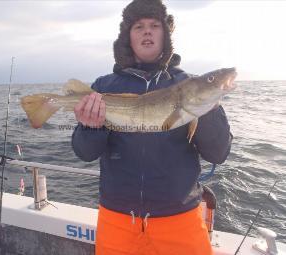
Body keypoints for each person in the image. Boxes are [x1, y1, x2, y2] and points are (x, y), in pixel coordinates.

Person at [71, 0, 232, 254]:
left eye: (154, 25)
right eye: (139, 26)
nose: (147, 31)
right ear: (128, 38)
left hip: (180, 219)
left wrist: (209, 110)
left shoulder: (189, 85)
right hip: (118, 219)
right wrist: (91, 127)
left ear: (165, 35)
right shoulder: (104, 87)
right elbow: (84, 152)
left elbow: (218, 154)